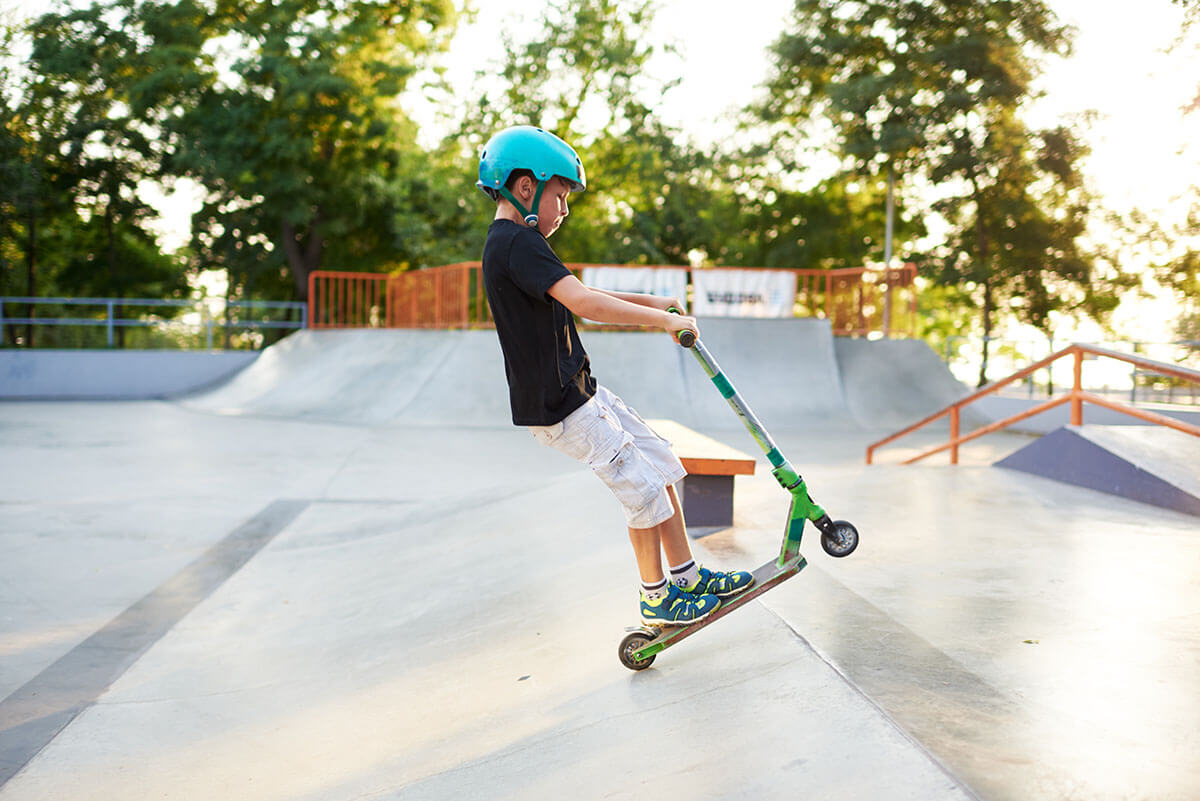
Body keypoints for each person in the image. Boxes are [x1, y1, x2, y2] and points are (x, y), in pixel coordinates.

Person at [476, 125, 754, 626]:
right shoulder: (515, 243)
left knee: (662, 462)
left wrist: (655, 303)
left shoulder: (521, 242)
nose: (565, 208)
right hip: (559, 407)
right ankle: (657, 596)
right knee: (642, 488)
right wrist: (665, 322)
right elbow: (586, 303)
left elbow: (581, 295)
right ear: (525, 188)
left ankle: (687, 577)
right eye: (561, 194)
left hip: (581, 392)